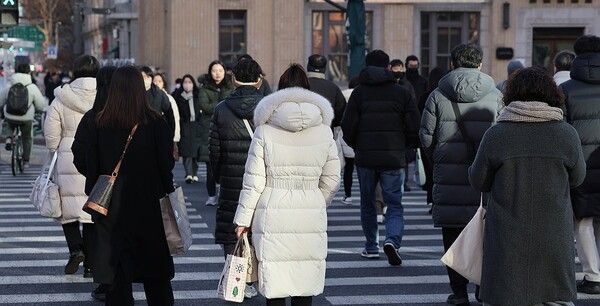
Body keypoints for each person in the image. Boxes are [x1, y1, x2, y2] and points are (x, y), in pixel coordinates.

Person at [470, 66, 586, 306]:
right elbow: (578, 179)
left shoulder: (497, 134)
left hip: (507, 232)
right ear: (552, 94)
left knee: (506, 295)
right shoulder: (567, 134)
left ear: (511, 95)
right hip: (554, 231)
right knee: (553, 296)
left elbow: (478, 180)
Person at [234, 64, 340, 306]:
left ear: (280, 91)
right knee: (304, 281)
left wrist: (243, 220)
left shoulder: (265, 130)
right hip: (309, 210)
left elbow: (253, 180)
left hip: (273, 209)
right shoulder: (324, 131)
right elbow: (332, 179)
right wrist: (315, 199)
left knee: (275, 283)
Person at [419, 43, 503, 306]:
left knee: (453, 235)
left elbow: (425, 138)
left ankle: (458, 293)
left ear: (453, 63)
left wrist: (441, 159)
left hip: (449, 174)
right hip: (485, 177)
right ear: (480, 64)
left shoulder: (437, 95)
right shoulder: (496, 95)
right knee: (485, 233)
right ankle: (482, 287)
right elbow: (502, 135)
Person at [87, 66, 175, 306]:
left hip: (111, 210)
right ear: (139, 89)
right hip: (148, 206)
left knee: (116, 279)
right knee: (155, 277)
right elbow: (166, 164)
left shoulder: (100, 122)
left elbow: (90, 164)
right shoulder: (156, 122)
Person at [341, 50, 421, 265]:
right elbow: (414, 125)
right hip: (394, 157)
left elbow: (347, 127)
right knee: (394, 203)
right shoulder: (401, 92)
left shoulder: (359, 93)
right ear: (387, 67)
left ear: (367, 66)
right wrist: (406, 147)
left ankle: (371, 246)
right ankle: (392, 241)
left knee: (368, 203)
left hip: (366, 157)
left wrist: (357, 146)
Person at [209, 58, 264, 299]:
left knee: (234, 230)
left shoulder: (221, 109)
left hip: (232, 179)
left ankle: (236, 284)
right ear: (259, 80)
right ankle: (255, 281)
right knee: (258, 228)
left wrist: (220, 174)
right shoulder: (268, 107)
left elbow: (214, 152)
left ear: (233, 79)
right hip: (262, 180)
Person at [44, 55, 99, 279]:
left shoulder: (61, 97)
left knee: (67, 210)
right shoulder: (104, 95)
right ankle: (91, 265)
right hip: (95, 155)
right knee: (93, 210)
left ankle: (75, 250)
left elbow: (50, 136)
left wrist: (57, 148)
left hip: (67, 155)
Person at [72, 65, 117, 302]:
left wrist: (93, 176)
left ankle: (105, 283)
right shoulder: (138, 116)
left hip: (101, 189)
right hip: (135, 191)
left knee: (103, 235)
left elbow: (77, 152)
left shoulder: (93, 117)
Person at [561, 34, 600, 295]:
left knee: (583, 220)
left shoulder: (566, 90)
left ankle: (593, 275)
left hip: (581, 164)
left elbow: (561, 130)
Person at [199, 60, 234, 205]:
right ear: (210, 72)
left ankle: (224, 194)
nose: (217, 73)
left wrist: (218, 106)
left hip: (227, 129)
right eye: (214, 70)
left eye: (220, 70)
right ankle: (212, 195)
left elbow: (232, 103)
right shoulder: (204, 88)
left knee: (226, 165)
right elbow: (204, 106)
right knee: (210, 166)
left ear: (225, 71)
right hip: (209, 129)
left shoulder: (230, 87)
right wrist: (222, 105)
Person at [0, 63, 46, 167]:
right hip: (26, 117)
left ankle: (8, 138)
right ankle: (26, 161)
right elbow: (40, 104)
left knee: (9, 123)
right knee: (27, 138)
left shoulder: (10, 85)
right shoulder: (32, 87)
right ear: (28, 72)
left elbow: (1, 100)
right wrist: (38, 112)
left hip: (10, 114)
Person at [419, 67, 447, 207]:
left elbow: (421, 121)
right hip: (445, 140)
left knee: (430, 172)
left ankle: (430, 199)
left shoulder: (426, 96)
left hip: (430, 142)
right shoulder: (446, 96)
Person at [391, 59, 417, 191]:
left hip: (404, 127)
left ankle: (404, 181)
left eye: (399, 68)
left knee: (404, 158)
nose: (398, 71)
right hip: (392, 126)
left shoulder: (407, 85)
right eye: (395, 69)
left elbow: (412, 105)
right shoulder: (388, 85)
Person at [172, 75, 203, 184]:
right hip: (184, 126)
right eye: (185, 82)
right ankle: (189, 173)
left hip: (196, 126)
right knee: (186, 152)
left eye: (190, 82)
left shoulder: (197, 95)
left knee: (195, 152)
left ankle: (194, 173)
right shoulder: (178, 96)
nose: (187, 84)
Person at [306, 54, 346, 129]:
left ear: (308, 66)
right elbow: (341, 114)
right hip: (326, 134)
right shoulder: (334, 88)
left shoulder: (299, 85)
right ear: (324, 68)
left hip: (302, 134)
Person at [140, 66, 175, 139]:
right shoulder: (135, 94)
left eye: (148, 77)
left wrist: (171, 134)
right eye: (143, 77)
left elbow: (169, 115)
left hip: (155, 133)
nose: (145, 79)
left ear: (151, 78)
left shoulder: (160, 94)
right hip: (139, 133)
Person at [339, 77, 359, 205]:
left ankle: (348, 195)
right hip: (361, 136)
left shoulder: (342, 96)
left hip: (345, 134)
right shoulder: (362, 95)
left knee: (348, 168)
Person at [153, 72, 182, 153]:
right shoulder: (147, 97)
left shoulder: (169, 98)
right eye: (154, 81)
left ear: (163, 83)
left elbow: (175, 118)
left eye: (159, 81)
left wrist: (175, 140)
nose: (157, 83)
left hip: (166, 134)